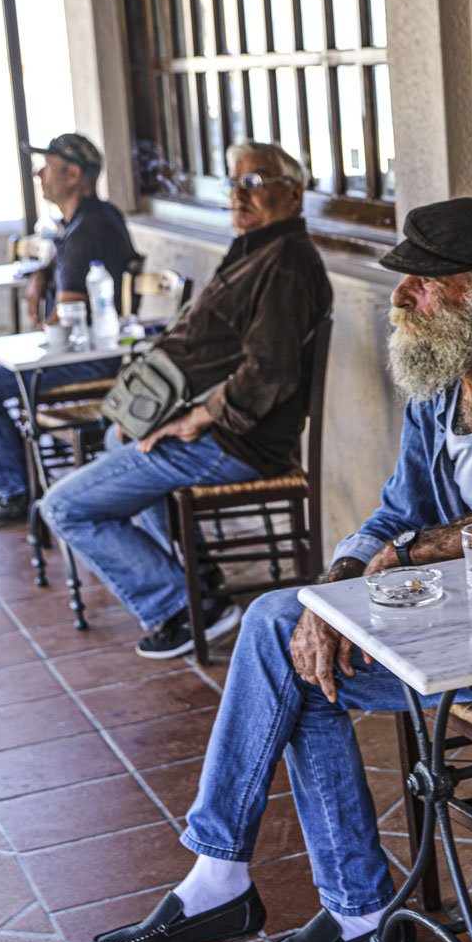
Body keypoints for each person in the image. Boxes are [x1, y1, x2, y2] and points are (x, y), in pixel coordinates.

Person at [90, 197, 472, 942]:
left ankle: (256, 886)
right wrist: (334, 597)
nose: (399, 297)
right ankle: (335, 904)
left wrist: (410, 550)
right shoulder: (440, 371)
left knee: (275, 637)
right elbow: (395, 509)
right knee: (297, 647)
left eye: (424, 283)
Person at [41, 140, 332, 659]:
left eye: (257, 182)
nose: (241, 195)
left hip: (235, 442)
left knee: (63, 507)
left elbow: (269, 373)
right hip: (219, 429)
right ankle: (200, 583)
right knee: (116, 436)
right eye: (235, 183)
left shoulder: (286, 262)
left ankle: (176, 604)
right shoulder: (257, 247)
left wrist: (194, 419)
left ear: (295, 193)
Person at [0, 133, 136, 529]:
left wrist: (36, 331)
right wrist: (41, 272)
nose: (39, 174)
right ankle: (18, 484)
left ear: (73, 174)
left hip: (93, 362)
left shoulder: (90, 229)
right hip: (84, 352)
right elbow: (61, 268)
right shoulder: (86, 219)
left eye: (49, 166)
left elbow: (66, 313)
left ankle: (19, 492)